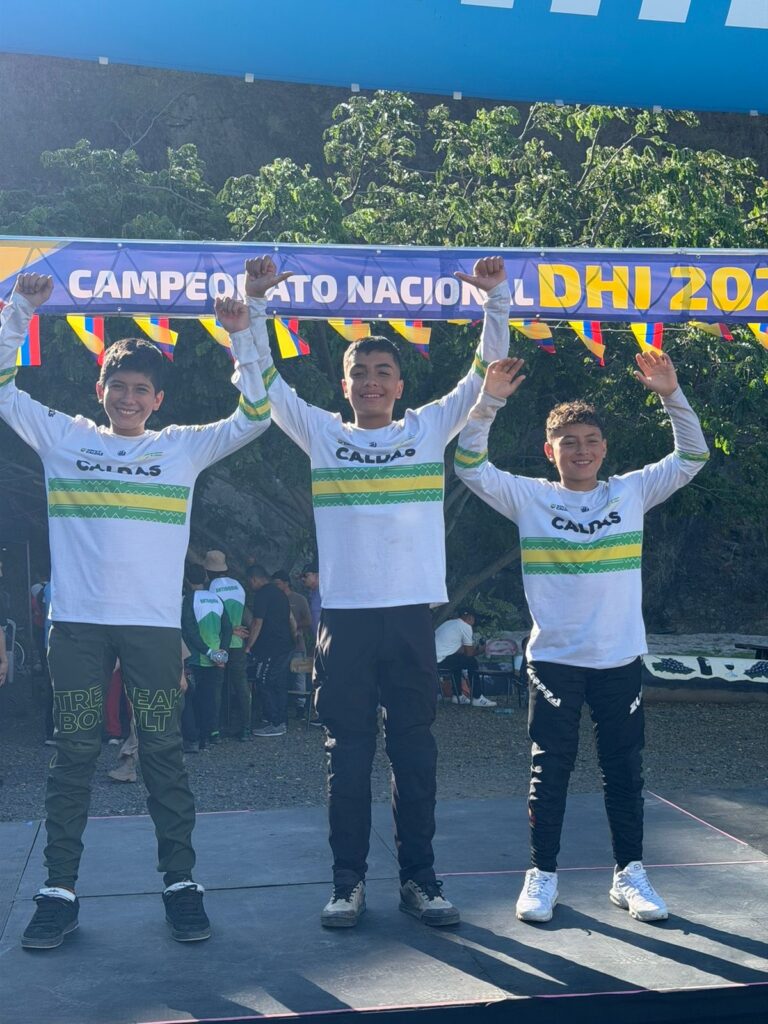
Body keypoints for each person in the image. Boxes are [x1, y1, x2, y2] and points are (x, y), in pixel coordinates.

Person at [0, 272, 270, 950]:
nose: (128, 398)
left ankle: (180, 883)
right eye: (118, 387)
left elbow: (256, 415)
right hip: (78, 628)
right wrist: (21, 308)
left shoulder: (179, 446)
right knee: (74, 754)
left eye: (141, 390)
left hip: (151, 631)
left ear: (158, 399)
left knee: (163, 752)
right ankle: (58, 891)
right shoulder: (64, 437)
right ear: (100, 391)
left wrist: (245, 332)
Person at [244, 253, 511, 928]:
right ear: (345, 385)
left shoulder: (428, 428)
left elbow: (484, 373)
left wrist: (494, 302)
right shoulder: (322, 433)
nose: (370, 381)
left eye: (382, 371)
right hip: (347, 621)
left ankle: (420, 880)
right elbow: (267, 384)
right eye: (359, 372)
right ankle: (348, 883)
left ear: (399, 383)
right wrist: (256, 305)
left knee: (415, 753)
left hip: (410, 617)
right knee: (348, 755)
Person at [454, 351, 709, 924]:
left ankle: (629, 874)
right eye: (568, 442)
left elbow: (693, 455)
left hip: (620, 659)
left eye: (591, 440)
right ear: (550, 451)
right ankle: (542, 875)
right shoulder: (529, 497)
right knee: (550, 772)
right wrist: (488, 402)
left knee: (625, 772)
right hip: (554, 661)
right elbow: (469, 464)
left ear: (604, 448)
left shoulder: (632, 492)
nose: (581, 450)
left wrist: (672, 394)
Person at [181, 563, 232, 749]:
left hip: (197, 658)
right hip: (218, 659)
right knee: (211, 698)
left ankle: (194, 738)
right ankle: (209, 735)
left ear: (187, 581)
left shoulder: (189, 600)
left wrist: (208, 652)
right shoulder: (217, 598)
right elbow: (227, 628)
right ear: (205, 578)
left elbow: (189, 630)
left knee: (193, 699)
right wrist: (222, 653)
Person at [204, 550, 251, 740]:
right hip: (238, 642)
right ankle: (246, 728)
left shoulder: (210, 588)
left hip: (219, 643)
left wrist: (228, 630)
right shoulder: (238, 586)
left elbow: (213, 618)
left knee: (216, 685)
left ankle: (214, 730)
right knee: (241, 684)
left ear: (208, 571)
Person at [244, 564, 295, 737]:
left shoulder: (263, 595)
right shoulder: (280, 594)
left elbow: (257, 622)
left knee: (263, 680)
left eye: (249, 582)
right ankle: (281, 719)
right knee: (279, 682)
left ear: (254, 579)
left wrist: (249, 645)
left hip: (271, 647)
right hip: (285, 645)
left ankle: (275, 721)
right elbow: (290, 619)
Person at [434, 608, 496, 708]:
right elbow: (469, 654)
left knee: (458, 662)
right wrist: (481, 650)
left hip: (433, 660)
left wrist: (469, 649)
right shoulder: (465, 626)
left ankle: (457, 695)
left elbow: (455, 649)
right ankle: (477, 697)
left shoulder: (449, 623)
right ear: (470, 617)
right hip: (441, 659)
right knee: (472, 662)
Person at [272, 569, 312, 714]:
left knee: (299, 675)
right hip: (279, 645)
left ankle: (300, 705)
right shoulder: (274, 600)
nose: (276, 587)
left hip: (297, 644)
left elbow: (308, 620)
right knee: (279, 674)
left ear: (286, 583)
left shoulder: (299, 599)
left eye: (278, 584)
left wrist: (294, 626)